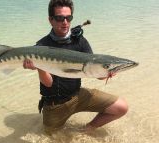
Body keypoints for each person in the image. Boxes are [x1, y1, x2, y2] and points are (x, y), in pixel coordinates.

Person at [23, 0, 128, 133]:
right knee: (52, 139)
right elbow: (48, 83)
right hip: (55, 105)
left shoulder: (80, 41)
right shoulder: (41, 47)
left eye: (68, 18)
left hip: (78, 95)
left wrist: (107, 72)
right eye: (60, 18)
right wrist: (38, 65)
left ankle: (88, 129)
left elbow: (95, 73)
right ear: (50, 20)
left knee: (121, 107)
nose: (65, 22)